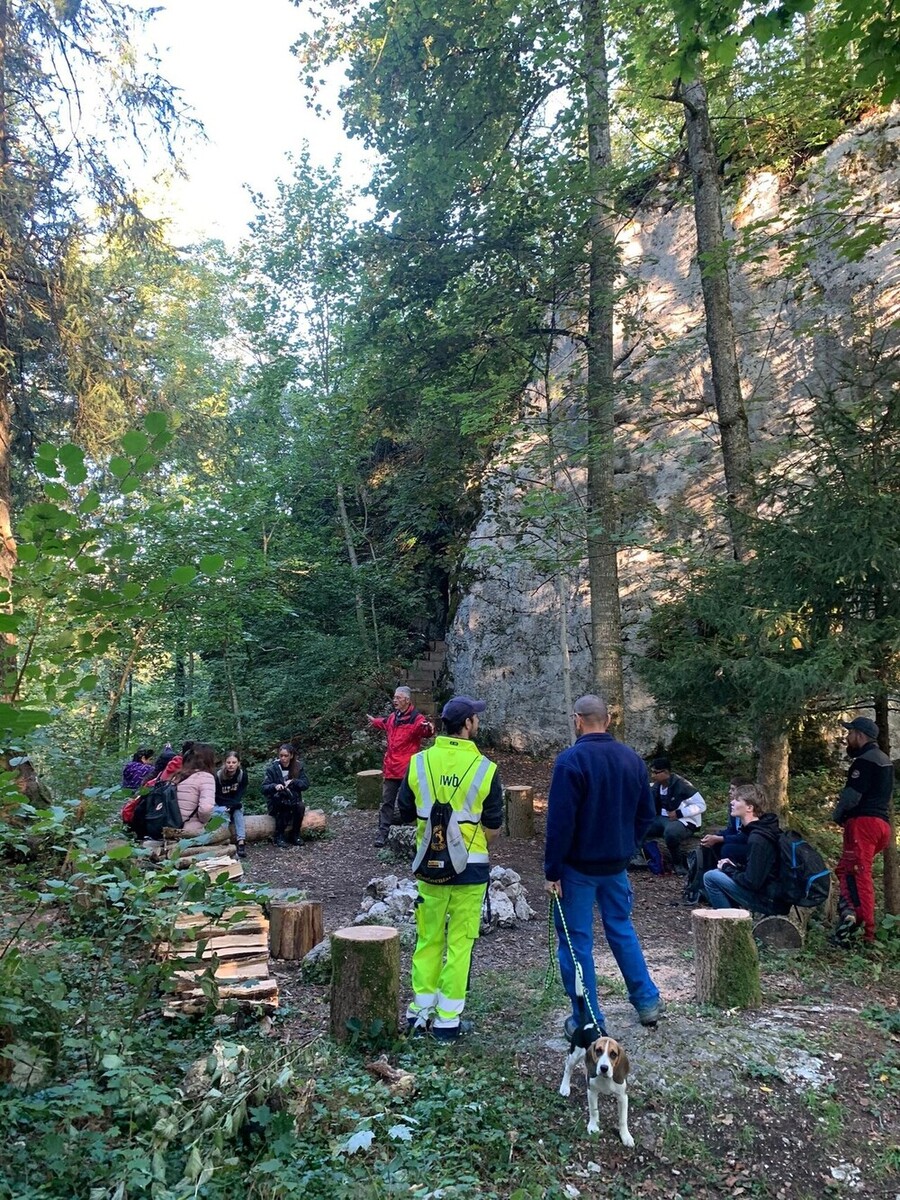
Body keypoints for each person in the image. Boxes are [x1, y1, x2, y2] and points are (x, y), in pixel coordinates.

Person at [544, 695, 663, 1037]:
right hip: (615, 867)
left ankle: (588, 1020)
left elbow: (560, 824)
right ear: (607, 721)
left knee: (576, 942)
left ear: (577, 720)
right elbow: (646, 815)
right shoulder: (633, 760)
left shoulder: (571, 761)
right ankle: (647, 1001)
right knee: (622, 929)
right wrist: (628, 849)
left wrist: (552, 871)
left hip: (578, 870)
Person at [397, 694, 502, 1041]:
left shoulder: (419, 763)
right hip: (470, 869)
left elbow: (404, 811)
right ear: (468, 724)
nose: (478, 723)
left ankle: (419, 1015)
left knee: (427, 939)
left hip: (429, 864)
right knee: (460, 943)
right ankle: (447, 1022)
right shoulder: (486, 769)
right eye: (476, 718)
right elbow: (494, 824)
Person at [832, 716, 893, 945]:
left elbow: (851, 797)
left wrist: (838, 815)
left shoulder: (864, 761)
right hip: (881, 826)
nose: (847, 738)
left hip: (864, 824)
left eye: (849, 734)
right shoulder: (883, 760)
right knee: (847, 871)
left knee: (858, 875)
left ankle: (864, 931)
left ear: (859, 735)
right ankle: (849, 918)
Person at [702, 783, 786, 914]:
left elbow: (752, 882)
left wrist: (727, 868)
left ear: (749, 808)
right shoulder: (761, 829)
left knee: (711, 877)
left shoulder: (758, 838)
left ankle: (729, 925)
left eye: (737, 800)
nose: (732, 803)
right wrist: (733, 868)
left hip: (769, 901)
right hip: (770, 894)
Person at [367, 686, 434, 847]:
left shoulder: (416, 719)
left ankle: (417, 832)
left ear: (407, 700)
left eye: (398, 698)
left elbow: (426, 730)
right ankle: (383, 833)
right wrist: (373, 721)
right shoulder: (392, 717)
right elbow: (383, 723)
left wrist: (429, 728)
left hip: (408, 770)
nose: (395, 700)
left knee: (411, 802)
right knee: (387, 802)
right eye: (394, 697)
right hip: (391, 768)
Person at [642, 756, 707, 873]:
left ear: (666, 772)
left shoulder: (683, 785)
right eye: (652, 772)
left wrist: (680, 813)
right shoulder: (656, 786)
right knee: (638, 825)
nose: (653, 776)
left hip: (683, 821)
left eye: (656, 773)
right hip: (660, 819)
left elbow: (701, 805)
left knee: (671, 833)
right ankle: (640, 856)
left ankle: (678, 863)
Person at [262, 743, 309, 848]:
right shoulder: (272, 769)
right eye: (281, 755)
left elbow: (305, 784)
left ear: (291, 756)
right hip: (276, 801)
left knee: (300, 806)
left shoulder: (298, 767)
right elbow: (264, 788)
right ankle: (279, 836)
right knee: (284, 806)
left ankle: (295, 834)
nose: (283, 758)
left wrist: (293, 781)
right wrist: (275, 786)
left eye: (286, 756)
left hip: (293, 800)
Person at [172, 742, 217, 837]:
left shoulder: (179, 776)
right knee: (222, 817)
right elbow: (206, 809)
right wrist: (205, 821)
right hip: (189, 829)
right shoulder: (206, 777)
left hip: (170, 823)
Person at [214, 751, 249, 858]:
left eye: (234, 762)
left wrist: (233, 805)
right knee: (223, 815)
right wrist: (228, 806)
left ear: (238, 763)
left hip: (234, 803)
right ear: (225, 763)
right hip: (220, 804)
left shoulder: (242, 775)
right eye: (228, 762)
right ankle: (222, 842)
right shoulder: (218, 776)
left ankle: (241, 842)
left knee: (238, 812)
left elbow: (240, 793)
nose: (231, 765)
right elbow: (217, 796)